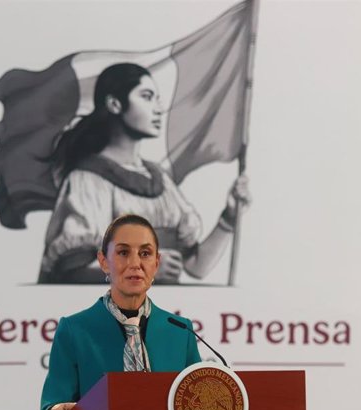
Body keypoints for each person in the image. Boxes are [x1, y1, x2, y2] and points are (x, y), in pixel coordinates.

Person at [38, 62, 250, 284]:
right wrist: (140, 270)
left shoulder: (161, 181)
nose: (158, 109)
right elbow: (72, 273)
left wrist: (229, 217)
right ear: (114, 104)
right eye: (147, 97)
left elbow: (196, 267)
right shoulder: (86, 180)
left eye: (157, 99)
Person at [39, 214, 202, 410]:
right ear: (104, 261)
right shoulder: (74, 329)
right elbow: (52, 403)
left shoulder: (180, 331)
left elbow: (201, 401)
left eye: (145, 254)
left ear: (156, 263)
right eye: (123, 252)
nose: (135, 263)